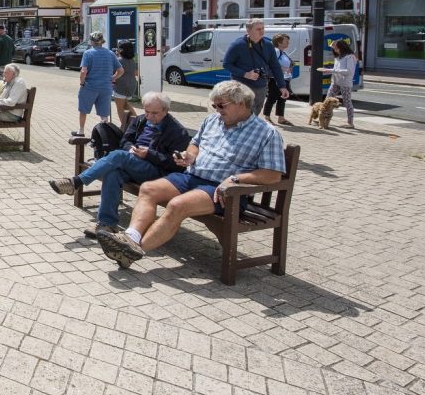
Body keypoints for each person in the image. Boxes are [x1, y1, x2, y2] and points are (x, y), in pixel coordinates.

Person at [97, 80, 286, 269]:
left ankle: (132, 251)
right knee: (148, 189)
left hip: (223, 191)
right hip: (192, 177)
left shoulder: (266, 133)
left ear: (241, 103)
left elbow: (273, 175)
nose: (217, 109)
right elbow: (194, 144)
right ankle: (130, 238)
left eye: (221, 105)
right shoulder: (212, 121)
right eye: (214, 105)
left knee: (178, 205)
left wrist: (236, 179)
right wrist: (190, 156)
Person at [49, 92, 190, 238]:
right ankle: (107, 223)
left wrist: (148, 154)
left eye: (154, 113)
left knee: (119, 156)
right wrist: (131, 150)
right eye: (147, 112)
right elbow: (125, 141)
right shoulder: (141, 120)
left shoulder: (177, 132)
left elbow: (175, 165)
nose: (149, 116)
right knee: (113, 173)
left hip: (156, 172)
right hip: (133, 163)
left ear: (166, 111)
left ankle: (77, 182)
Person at [222, 18, 288, 116]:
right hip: (242, 87)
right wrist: (245, 74)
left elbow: (275, 67)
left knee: (254, 116)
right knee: (246, 116)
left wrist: (282, 86)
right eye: (258, 29)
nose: (262, 31)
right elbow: (226, 64)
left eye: (262, 28)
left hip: (262, 87)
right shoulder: (238, 45)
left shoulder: (268, 45)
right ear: (248, 30)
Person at [78, 31, 122, 135]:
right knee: (104, 114)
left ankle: (81, 131)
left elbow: (83, 71)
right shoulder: (110, 53)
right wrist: (112, 78)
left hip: (90, 87)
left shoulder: (88, 53)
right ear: (102, 42)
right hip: (106, 87)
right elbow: (121, 70)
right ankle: (104, 135)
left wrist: (82, 83)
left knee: (83, 110)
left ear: (91, 42)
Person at [320, 38, 357, 128]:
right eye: (334, 48)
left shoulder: (350, 57)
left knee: (347, 102)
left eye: (336, 48)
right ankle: (323, 118)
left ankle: (350, 122)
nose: (335, 50)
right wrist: (329, 71)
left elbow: (349, 71)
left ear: (342, 47)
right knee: (327, 99)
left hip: (345, 82)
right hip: (336, 81)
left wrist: (332, 70)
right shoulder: (338, 57)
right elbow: (336, 69)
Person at [263, 33, 294, 126]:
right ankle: (267, 117)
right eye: (286, 41)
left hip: (285, 78)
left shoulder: (283, 52)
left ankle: (281, 117)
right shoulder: (276, 51)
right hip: (275, 78)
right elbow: (271, 64)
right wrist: (284, 69)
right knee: (272, 97)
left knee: (283, 98)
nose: (288, 43)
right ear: (279, 42)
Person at [113, 41, 140, 130]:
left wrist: (112, 78)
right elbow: (136, 73)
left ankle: (124, 127)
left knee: (120, 108)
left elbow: (120, 72)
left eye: (118, 48)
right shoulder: (132, 60)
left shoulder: (119, 60)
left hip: (121, 86)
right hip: (132, 85)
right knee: (126, 104)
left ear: (121, 50)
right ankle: (138, 123)